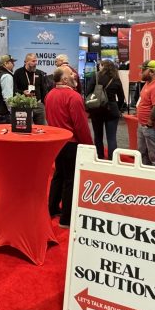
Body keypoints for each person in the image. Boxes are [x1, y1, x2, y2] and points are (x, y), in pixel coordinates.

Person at [45, 66, 94, 227]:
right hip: (71, 144)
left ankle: (51, 209)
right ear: (64, 79)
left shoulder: (50, 95)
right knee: (70, 180)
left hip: (56, 143)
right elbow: (81, 126)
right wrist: (89, 146)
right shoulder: (74, 97)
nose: (75, 74)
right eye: (70, 73)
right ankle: (66, 218)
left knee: (59, 175)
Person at [89, 59, 126, 159]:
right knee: (112, 138)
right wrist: (117, 108)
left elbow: (89, 92)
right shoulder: (116, 79)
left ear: (103, 66)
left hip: (97, 109)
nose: (99, 67)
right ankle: (112, 159)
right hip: (112, 110)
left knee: (98, 136)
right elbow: (121, 98)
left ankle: (99, 156)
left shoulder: (96, 76)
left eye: (100, 65)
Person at [13, 53, 47, 124]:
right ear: (26, 62)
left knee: (42, 128)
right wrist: (23, 92)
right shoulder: (18, 73)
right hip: (24, 105)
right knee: (27, 128)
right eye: (33, 61)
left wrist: (43, 104)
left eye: (36, 61)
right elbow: (14, 90)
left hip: (38, 105)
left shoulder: (39, 73)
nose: (35, 63)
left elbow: (43, 89)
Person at [0, 54, 15, 123]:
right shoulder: (6, 76)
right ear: (6, 63)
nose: (13, 64)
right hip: (5, 113)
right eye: (12, 62)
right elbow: (8, 97)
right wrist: (12, 112)